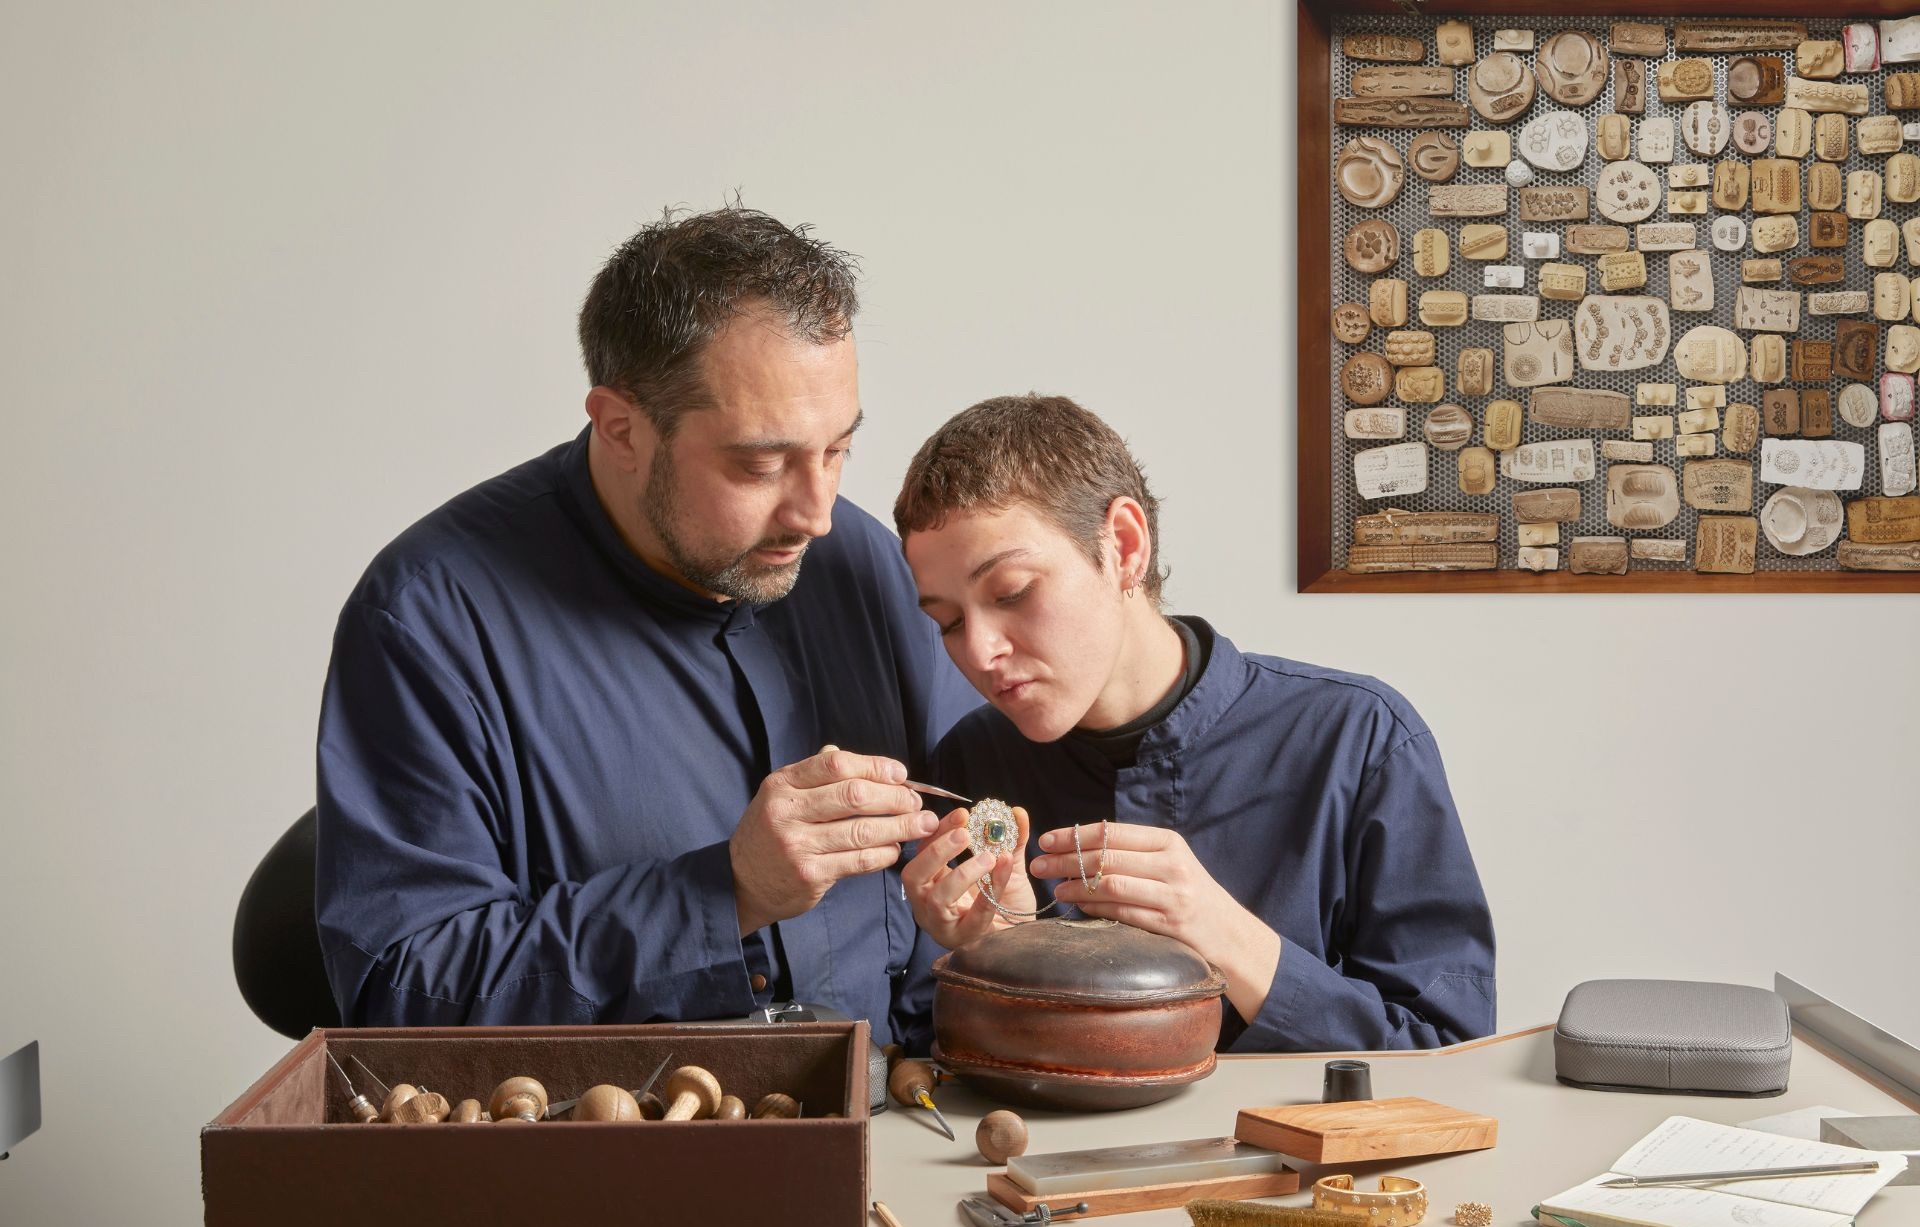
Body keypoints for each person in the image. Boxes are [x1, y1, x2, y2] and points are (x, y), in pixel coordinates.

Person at [315, 205, 978, 1041]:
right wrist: (725, 892)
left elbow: (967, 885)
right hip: (612, 1160)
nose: (816, 513)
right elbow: (401, 998)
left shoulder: (862, 565)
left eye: (837, 449)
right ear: (622, 429)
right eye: (761, 463)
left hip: (906, 1140)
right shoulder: (429, 620)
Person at [892, 394, 1495, 1051]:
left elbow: (1446, 1054)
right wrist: (998, 954)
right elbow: (923, 1062)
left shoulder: (1357, 739)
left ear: (1123, 546)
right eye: (947, 621)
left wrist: (1225, 934)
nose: (978, 654)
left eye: (1011, 593)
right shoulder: (969, 770)